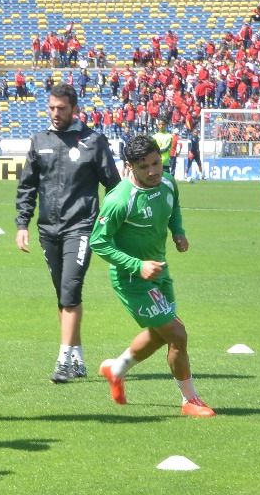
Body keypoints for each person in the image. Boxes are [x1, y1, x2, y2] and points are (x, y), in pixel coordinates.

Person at [92, 135, 215, 418]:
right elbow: (99, 242)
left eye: (156, 163)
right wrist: (137, 266)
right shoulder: (120, 199)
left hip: (160, 271)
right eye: (144, 166)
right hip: (132, 279)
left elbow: (174, 208)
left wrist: (178, 232)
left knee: (161, 335)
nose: (152, 171)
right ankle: (190, 400)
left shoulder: (168, 182)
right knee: (177, 334)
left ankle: (116, 369)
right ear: (130, 167)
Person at [15, 83, 121, 383]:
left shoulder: (93, 141)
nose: (55, 113)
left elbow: (114, 186)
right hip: (48, 229)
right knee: (63, 295)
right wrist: (22, 224)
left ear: (74, 109)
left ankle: (63, 361)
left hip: (82, 227)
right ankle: (77, 357)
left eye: (61, 108)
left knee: (71, 290)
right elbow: (27, 187)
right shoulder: (40, 141)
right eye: (51, 107)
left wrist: (108, 223)